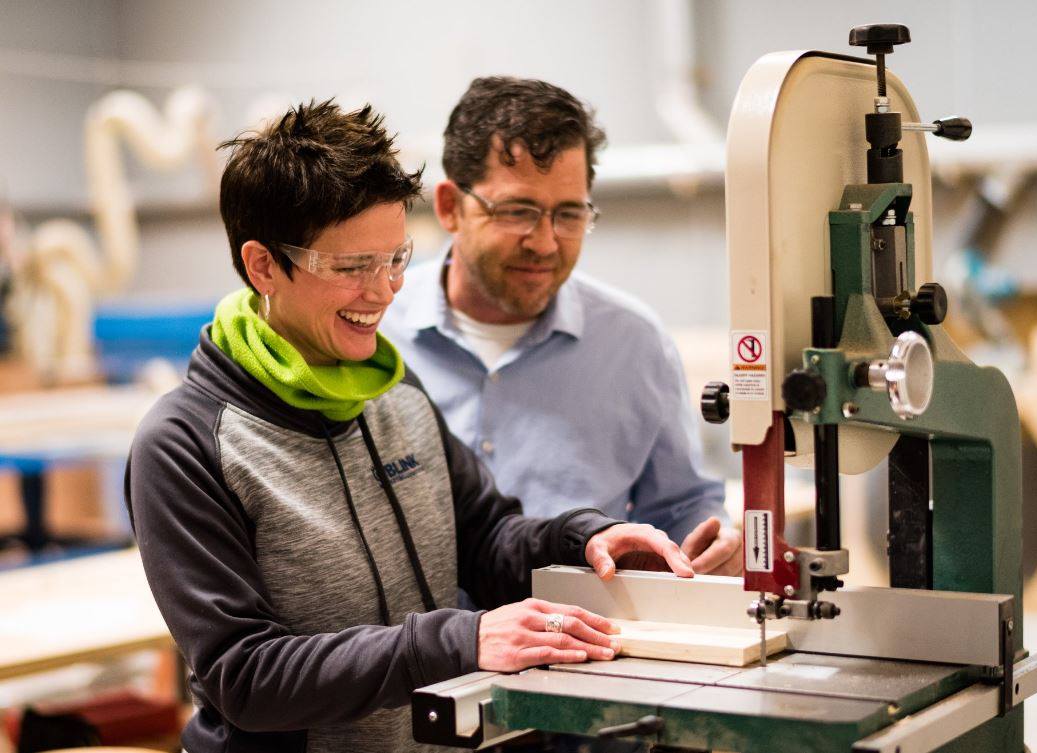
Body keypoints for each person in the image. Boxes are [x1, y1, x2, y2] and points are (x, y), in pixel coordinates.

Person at [124, 100, 695, 753]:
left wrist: (583, 539)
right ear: (262, 267)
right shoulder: (186, 443)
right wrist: (458, 640)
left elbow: (486, 539)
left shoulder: (391, 391)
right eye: (351, 268)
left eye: (395, 258)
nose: (384, 290)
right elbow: (246, 676)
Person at [380, 77, 742, 575]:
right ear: (449, 207)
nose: (546, 243)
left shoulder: (634, 345)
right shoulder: (374, 335)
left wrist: (712, 537)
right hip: (413, 648)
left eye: (569, 215)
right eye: (517, 212)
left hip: (589, 646)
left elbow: (681, 506)